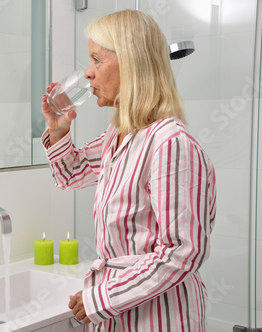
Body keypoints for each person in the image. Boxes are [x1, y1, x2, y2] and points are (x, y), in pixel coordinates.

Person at [41, 10, 216, 331]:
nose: (88, 74)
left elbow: (182, 252)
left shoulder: (169, 143)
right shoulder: (121, 135)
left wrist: (101, 298)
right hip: (120, 312)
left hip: (159, 316)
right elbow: (72, 174)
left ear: (133, 64)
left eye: (96, 60)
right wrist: (58, 129)